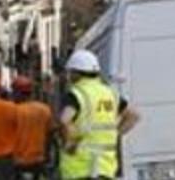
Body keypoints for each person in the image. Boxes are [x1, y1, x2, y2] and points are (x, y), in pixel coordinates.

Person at [59, 50, 139, 180]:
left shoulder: (76, 94)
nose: (69, 76)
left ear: (76, 73)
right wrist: (115, 134)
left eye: (71, 72)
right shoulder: (110, 93)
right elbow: (134, 116)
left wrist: (70, 143)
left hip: (81, 170)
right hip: (106, 169)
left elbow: (64, 120)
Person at [12, 76, 54, 179]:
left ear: (17, 92)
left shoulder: (12, 111)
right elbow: (50, 135)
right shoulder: (45, 110)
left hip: (17, 162)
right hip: (39, 161)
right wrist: (47, 155)